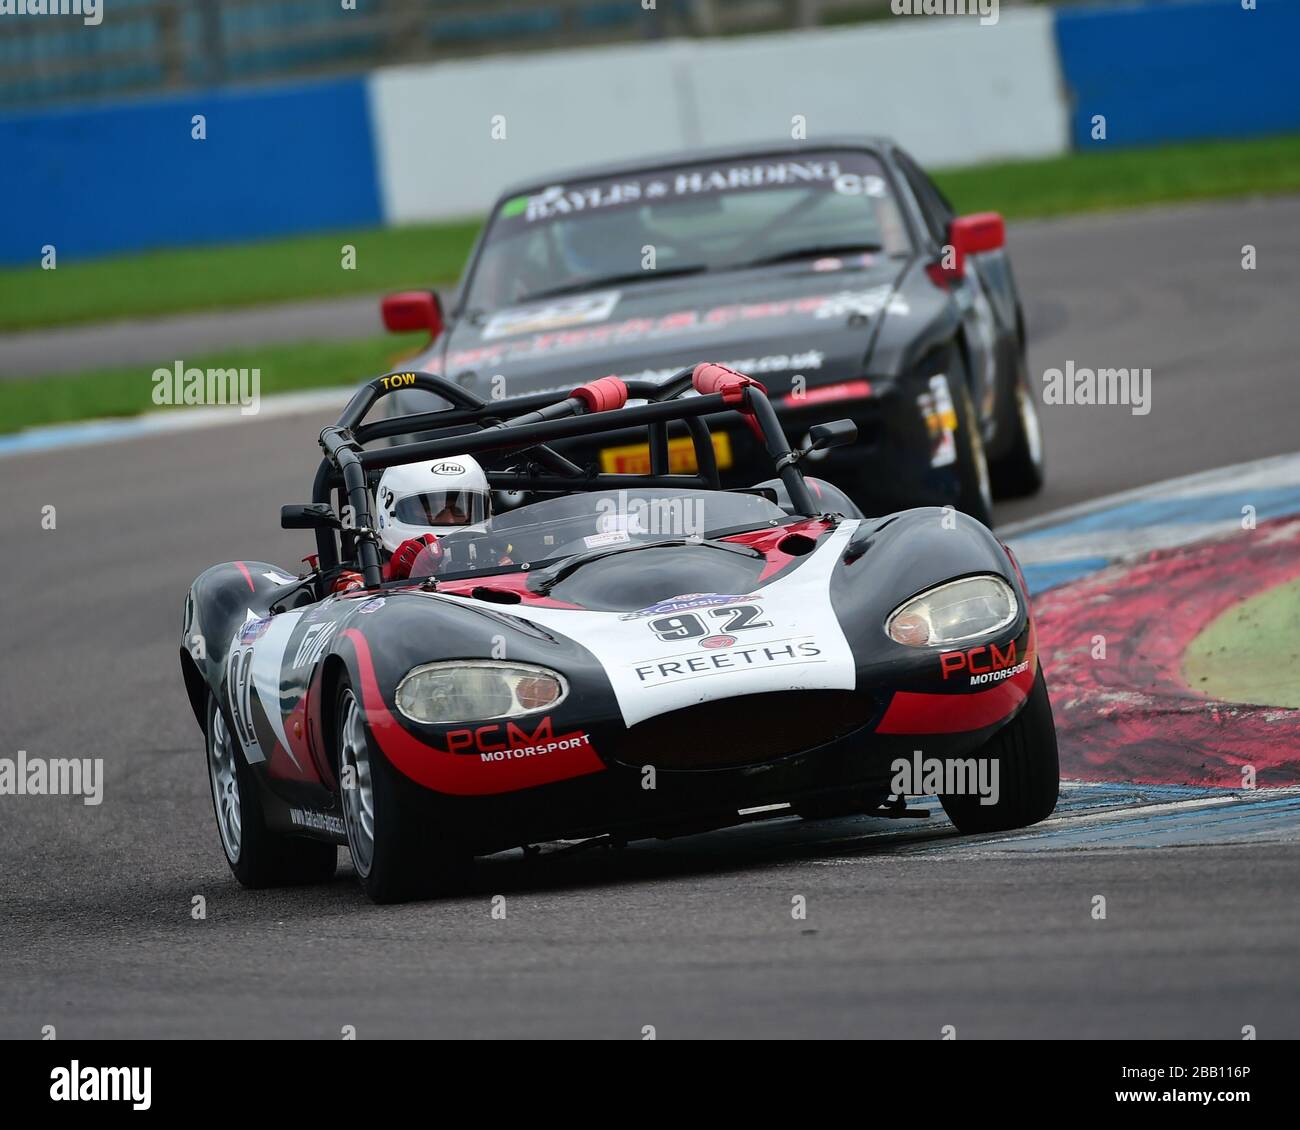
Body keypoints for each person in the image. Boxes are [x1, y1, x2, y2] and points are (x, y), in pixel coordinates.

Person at [374, 456, 491, 581]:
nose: (450, 520)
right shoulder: (369, 577)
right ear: (390, 509)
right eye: (433, 510)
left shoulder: (501, 560)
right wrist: (397, 580)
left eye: (460, 510)